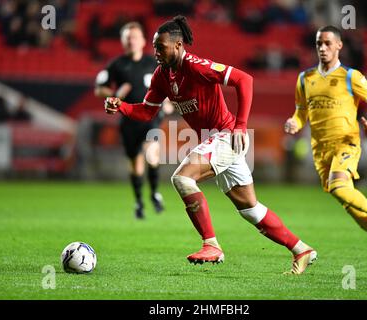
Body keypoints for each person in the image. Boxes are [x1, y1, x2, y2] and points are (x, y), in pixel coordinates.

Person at [104, 15, 316, 274]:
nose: (156, 52)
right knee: (250, 210)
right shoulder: (162, 75)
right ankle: (301, 249)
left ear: (179, 46)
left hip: (227, 135)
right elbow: (147, 112)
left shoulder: (195, 66)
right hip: (213, 140)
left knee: (182, 179)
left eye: (161, 47)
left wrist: (240, 124)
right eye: (155, 47)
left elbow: (244, 80)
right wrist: (122, 106)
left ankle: (212, 245)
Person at [284, 25, 367, 262]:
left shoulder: (352, 76)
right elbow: (301, 111)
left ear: (339, 46)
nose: (322, 48)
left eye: (328, 43)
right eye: (319, 43)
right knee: (351, 207)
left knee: (339, 187)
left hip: (346, 143)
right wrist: (294, 123)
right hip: (320, 150)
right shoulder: (305, 78)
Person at [95, 22, 165, 219]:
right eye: (127, 37)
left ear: (143, 41)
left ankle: (155, 193)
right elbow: (99, 88)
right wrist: (115, 94)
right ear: (122, 41)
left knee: (152, 152)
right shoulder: (116, 65)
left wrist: (167, 101)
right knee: (136, 163)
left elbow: (168, 85)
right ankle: (139, 202)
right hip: (128, 119)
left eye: (134, 37)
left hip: (151, 116)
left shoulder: (154, 63)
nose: (131, 40)